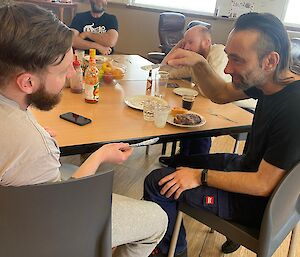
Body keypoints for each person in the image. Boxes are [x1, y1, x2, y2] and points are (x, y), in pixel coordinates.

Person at [0, 3, 167, 257]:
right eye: (63, 69)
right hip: (40, 229)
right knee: (157, 218)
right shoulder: (31, 144)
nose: (71, 74)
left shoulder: (12, 113)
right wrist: (100, 155)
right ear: (27, 82)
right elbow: (65, 208)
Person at [144, 12, 300, 257]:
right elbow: (220, 93)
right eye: (228, 57)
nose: (227, 69)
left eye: (237, 60)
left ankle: (174, 252)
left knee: (158, 183)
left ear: (270, 61)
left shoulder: (294, 108)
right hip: (248, 170)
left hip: (257, 202)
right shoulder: (270, 81)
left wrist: (200, 176)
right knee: (176, 165)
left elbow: (262, 184)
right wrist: (198, 62)